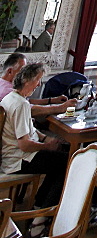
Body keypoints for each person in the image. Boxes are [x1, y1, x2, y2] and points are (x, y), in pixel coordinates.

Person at [1, 62, 69, 234]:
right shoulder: (21, 104)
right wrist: (47, 146)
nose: (39, 84)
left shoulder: (12, 98)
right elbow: (24, 144)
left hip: (15, 156)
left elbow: (28, 129)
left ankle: (40, 206)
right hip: (19, 159)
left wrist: (45, 138)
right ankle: (40, 220)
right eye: (38, 80)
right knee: (67, 163)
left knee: (60, 162)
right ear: (26, 80)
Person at [0, 53, 68, 116]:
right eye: (22, 70)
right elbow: (30, 110)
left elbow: (27, 101)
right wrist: (61, 107)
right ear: (10, 71)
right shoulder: (6, 91)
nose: (25, 73)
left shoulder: (4, 83)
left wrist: (51, 100)